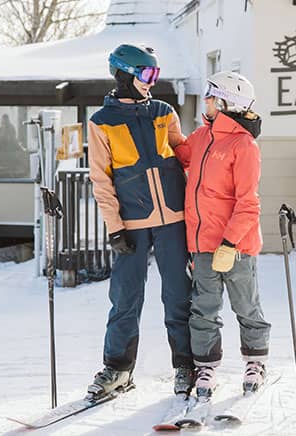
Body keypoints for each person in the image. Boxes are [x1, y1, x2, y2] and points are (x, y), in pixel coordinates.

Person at [86, 43, 195, 398]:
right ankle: (118, 369)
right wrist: (115, 227)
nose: (152, 82)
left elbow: (187, 156)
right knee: (125, 298)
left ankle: (186, 365)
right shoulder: (101, 122)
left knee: (179, 295)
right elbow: (101, 180)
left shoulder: (164, 112)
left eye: (155, 75)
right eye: (147, 74)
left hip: (173, 220)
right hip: (131, 225)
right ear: (125, 74)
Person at [174, 71, 271, 399]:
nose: (206, 100)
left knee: (246, 305)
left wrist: (230, 243)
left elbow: (249, 203)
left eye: (211, 95)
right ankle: (206, 368)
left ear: (228, 102)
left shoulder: (244, 145)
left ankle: (256, 362)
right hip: (201, 244)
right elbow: (177, 156)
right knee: (204, 308)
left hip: (236, 246)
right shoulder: (202, 137)